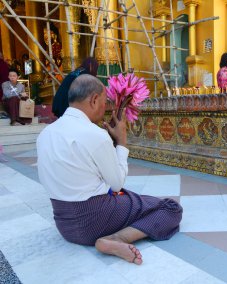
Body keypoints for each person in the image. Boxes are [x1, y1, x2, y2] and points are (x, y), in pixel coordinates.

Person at [37, 74, 183, 264]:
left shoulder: (46, 133)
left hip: (65, 225)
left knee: (130, 197)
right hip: (96, 221)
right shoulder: (94, 134)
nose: (106, 107)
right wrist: (121, 142)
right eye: (105, 101)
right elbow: (116, 185)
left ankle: (115, 233)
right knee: (170, 208)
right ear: (94, 99)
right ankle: (116, 238)